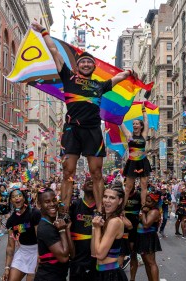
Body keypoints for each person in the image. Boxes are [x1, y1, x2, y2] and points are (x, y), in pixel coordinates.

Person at [31, 21, 138, 213]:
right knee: (68, 173)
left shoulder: (100, 85)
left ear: (93, 67)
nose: (86, 64)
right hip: (72, 130)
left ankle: (101, 212)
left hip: (93, 131)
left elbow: (119, 77)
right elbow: (54, 50)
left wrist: (130, 72)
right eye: (83, 62)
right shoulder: (68, 77)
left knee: (97, 174)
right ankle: (63, 213)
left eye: (89, 62)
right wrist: (44, 32)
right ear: (78, 65)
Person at [3, 188, 41, 281]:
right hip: (23, 252)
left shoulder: (34, 213)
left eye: (19, 195)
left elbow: (40, 238)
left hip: (37, 251)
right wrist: (7, 268)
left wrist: (39, 259)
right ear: (11, 201)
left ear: (24, 198)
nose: (17, 198)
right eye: (13, 197)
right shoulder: (11, 221)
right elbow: (10, 246)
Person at [92, 185, 127, 281]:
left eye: (112, 198)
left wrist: (97, 228)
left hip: (110, 274)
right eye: (105, 196)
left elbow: (100, 255)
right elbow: (94, 253)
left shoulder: (114, 222)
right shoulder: (107, 220)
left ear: (119, 201)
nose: (107, 200)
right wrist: (95, 227)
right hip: (102, 272)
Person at [34, 189, 70, 281]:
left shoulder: (55, 224)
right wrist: (62, 231)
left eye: (54, 200)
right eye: (47, 202)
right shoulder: (46, 228)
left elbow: (72, 254)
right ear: (39, 204)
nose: (52, 204)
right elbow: (64, 258)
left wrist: (67, 228)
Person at [119, 105, 151, 207]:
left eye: (137, 124)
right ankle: (122, 207)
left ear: (140, 126)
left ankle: (143, 205)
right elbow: (120, 123)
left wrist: (143, 110)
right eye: (133, 124)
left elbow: (146, 121)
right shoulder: (129, 135)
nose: (135, 125)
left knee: (144, 185)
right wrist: (121, 111)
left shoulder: (144, 135)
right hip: (132, 162)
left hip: (142, 161)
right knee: (128, 187)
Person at [67, 178, 97, 281]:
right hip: (77, 257)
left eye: (93, 181)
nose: (90, 182)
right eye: (87, 181)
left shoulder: (102, 207)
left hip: (96, 256)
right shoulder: (75, 205)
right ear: (82, 187)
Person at [136, 190, 162, 281]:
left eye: (149, 201)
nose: (146, 203)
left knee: (151, 262)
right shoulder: (148, 209)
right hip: (142, 237)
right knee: (146, 263)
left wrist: (143, 213)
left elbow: (146, 224)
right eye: (146, 201)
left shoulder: (154, 211)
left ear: (154, 202)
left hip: (148, 237)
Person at [120, 184, 141, 280]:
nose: (128, 185)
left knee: (133, 254)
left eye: (131, 183)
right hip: (121, 226)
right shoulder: (121, 195)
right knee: (120, 252)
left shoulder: (139, 195)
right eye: (126, 184)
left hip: (134, 228)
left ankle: (132, 279)